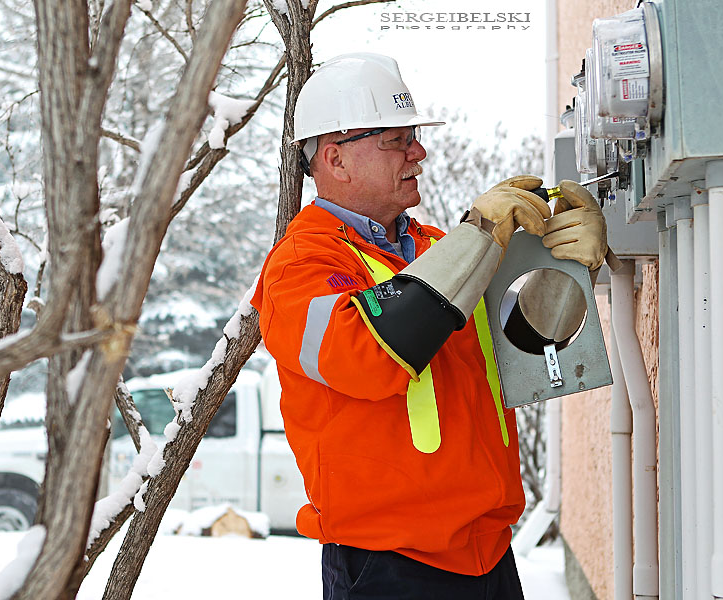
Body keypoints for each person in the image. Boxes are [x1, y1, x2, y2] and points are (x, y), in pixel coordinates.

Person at [250, 53, 607, 599]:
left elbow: (528, 349)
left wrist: (568, 273)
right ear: (335, 158)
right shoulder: (298, 267)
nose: (418, 152)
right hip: (388, 566)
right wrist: (478, 236)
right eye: (396, 140)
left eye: (413, 137)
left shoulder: (438, 249)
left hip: (489, 554)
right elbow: (371, 356)